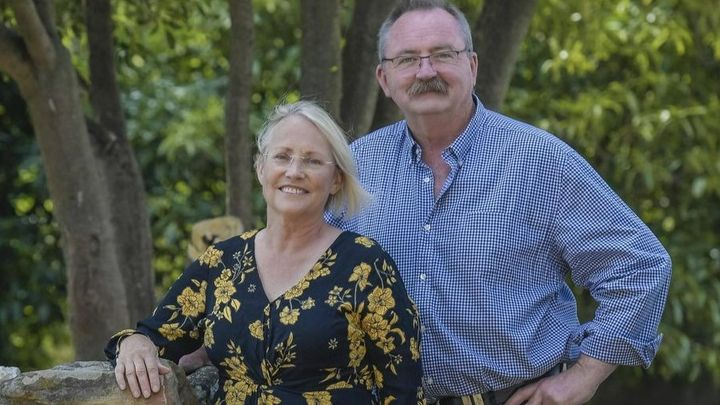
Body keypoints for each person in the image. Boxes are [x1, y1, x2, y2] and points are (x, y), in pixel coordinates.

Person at [327, 1, 672, 404]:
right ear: (384, 79)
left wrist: (584, 377)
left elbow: (640, 267)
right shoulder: (355, 167)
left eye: (443, 54)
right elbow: (307, 277)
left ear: (472, 66)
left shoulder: (541, 162)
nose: (426, 71)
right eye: (407, 59)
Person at [106, 101, 424, 404]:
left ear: (336, 180)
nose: (294, 171)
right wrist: (134, 345)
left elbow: (403, 391)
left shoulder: (365, 265)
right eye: (282, 156)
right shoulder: (222, 262)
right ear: (261, 168)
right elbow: (155, 335)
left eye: (313, 161)